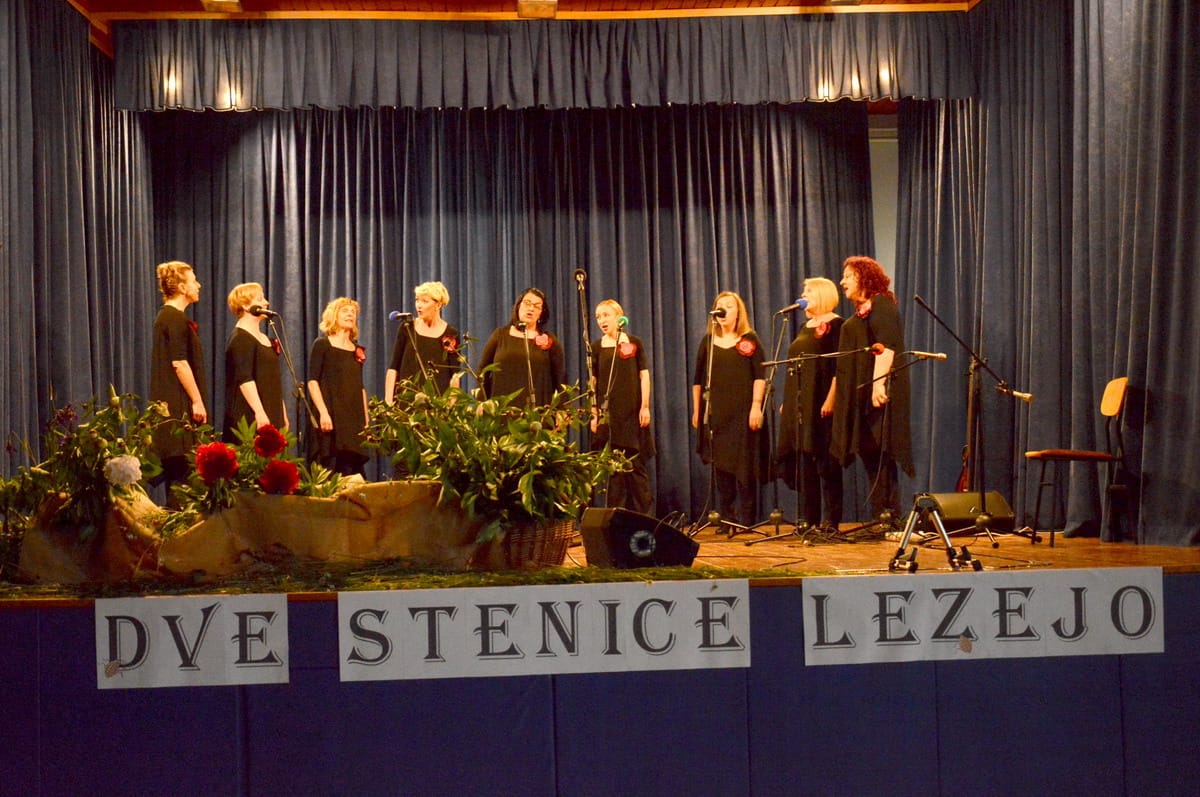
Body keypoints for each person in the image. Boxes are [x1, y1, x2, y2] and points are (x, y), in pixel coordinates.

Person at [830, 256, 913, 529]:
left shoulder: (882, 304)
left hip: (881, 392)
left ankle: (891, 517)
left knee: (882, 454)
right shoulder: (860, 312)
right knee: (870, 454)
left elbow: (886, 347)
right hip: (863, 395)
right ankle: (882, 516)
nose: (842, 281)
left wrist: (878, 384)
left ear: (864, 277)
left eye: (848, 276)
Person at [691, 291, 766, 527]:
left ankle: (747, 518)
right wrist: (697, 410)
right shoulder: (708, 342)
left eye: (729, 305)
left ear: (738, 312)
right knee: (721, 466)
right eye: (719, 305)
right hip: (717, 413)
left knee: (744, 467)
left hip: (743, 413)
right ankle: (727, 517)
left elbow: (760, 376)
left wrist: (756, 406)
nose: (723, 309)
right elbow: (697, 380)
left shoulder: (749, 339)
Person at [777, 277, 844, 533]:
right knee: (805, 462)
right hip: (801, 402)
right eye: (803, 291)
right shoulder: (805, 326)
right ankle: (809, 519)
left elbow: (839, 367)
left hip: (823, 400)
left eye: (808, 291)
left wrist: (831, 398)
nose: (803, 295)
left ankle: (831, 520)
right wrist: (788, 401)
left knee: (826, 462)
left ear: (823, 294)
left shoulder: (837, 325)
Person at [149, 261, 208, 503]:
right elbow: (179, 363)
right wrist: (197, 401)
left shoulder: (169, 317)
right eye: (193, 281)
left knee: (181, 484)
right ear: (182, 287)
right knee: (182, 486)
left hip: (175, 408)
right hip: (178, 409)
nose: (198, 285)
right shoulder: (173, 318)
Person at [589, 299, 655, 515]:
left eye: (606, 315)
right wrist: (594, 413)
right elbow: (593, 382)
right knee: (613, 472)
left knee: (635, 466)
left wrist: (645, 407)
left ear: (619, 317)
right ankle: (615, 518)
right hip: (609, 415)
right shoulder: (596, 347)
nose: (602, 320)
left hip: (631, 413)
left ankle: (645, 517)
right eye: (598, 317)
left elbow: (644, 376)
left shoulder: (634, 343)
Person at [306, 297, 369, 476]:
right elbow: (313, 381)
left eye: (353, 312)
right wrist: (323, 412)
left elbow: (360, 386)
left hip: (352, 418)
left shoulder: (356, 349)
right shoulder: (322, 344)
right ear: (334, 315)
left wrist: (366, 420)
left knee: (351, 469)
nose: (350, 314)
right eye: (345, 311)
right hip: (331, 414)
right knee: (329, 467)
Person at [478, 288, 566, 407]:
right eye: (527, 303)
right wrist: (482, 403)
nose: (531, 309)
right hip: (501, 410)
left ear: (541, 313)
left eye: (537, 306)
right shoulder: (500, 335)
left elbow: (560, 379)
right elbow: (482, 371)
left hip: (537, 411)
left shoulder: (550, 340)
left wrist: (562, 410)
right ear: (518, 306)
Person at [222, 282, 288, 441]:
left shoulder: (264, 338)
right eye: (260, 299)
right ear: (245, 306)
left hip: (270, 411)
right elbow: (245, 379)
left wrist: (282, 413)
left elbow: (273, 380)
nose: (266, 302)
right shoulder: (240, 338)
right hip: (251, 415)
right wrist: (259, 412)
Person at [384, 281, 462, 402]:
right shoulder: (407, 327)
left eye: (425, 301)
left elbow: (455, 376)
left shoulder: (451, 334)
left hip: (438, 404)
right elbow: (393, 368)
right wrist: (388, 402)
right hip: (407, 402)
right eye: (417, 300)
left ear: (438, 305)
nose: (419, 305)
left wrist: (451, 405)